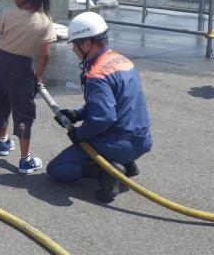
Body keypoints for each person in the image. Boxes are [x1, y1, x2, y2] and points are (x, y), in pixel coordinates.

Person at [46, 12, 152, 202]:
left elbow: (104, 117)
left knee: (56, 169)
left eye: (74, 44)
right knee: (110, 137)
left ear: (87, 44)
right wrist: (76, 114)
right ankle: (128, 164)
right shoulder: (123, 61)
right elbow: (114, 104)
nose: (73, 49)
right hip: (141, 140)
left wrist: (79, 135)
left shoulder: (97, 75)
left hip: (117, 144)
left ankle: (109, 171)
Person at [0, 0, 56, 174]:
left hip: (0, 62)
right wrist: (38, 77)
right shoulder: (45, 20)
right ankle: (25, 160)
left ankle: (3, 142)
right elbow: (45, 55)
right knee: (23, 111)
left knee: (1, 101)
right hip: (22, 67)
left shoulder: (7, 13)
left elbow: (1, 33)